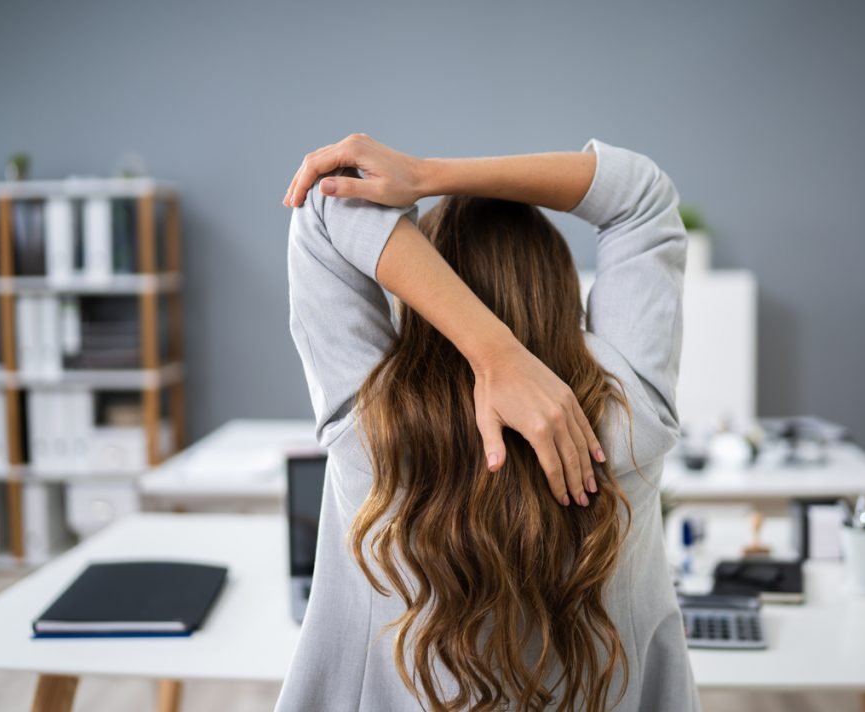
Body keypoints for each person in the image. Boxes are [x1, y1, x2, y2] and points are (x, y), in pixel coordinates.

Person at [276, 134, 699, 711]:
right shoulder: (632, 415)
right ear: (560, 287)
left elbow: (325, 203)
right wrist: (428, 175)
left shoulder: (375, 426)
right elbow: (640, 195)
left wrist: (490, 349)